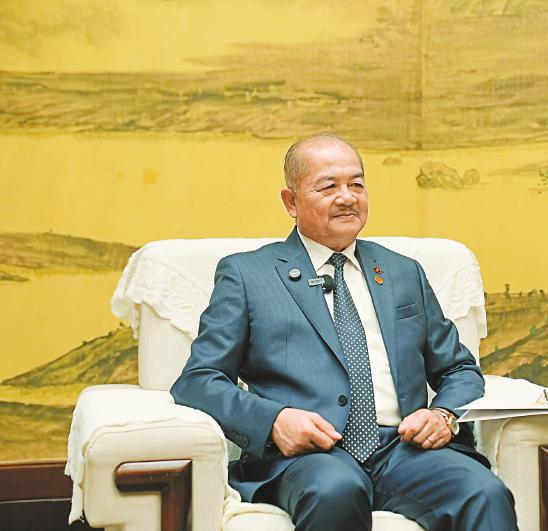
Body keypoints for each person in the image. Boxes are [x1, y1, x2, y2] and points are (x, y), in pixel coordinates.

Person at [171, 133, 517, 531]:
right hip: (308, 456)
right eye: (328, 187)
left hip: (403, 449)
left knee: (484, 492)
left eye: (357, 184)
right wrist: (275, 420)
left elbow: (458, 369)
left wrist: (443, 415)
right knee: (336, 488)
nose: (347, 197)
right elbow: (198, 380)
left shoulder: (403, 272)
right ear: (290, 202)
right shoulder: (248, 275)